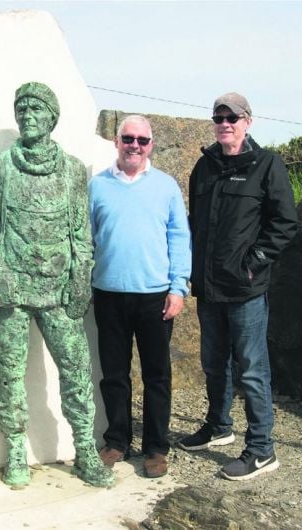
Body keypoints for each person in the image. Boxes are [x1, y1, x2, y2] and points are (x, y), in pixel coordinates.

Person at [0, 81, 113, 489]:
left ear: (52, 118)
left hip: (58, 291)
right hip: (10, 293)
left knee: (77, 372)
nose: (28, 116)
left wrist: (79, 280)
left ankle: (85, 448)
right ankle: (16, 448)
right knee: (9, 374)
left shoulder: (72, 170)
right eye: (23, 110)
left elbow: (81, 235)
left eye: (37, 110)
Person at [178, 93, 297, 481]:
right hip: (209, 288)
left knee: (251, 370)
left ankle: (262, 449)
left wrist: (252, 265)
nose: (225, 123)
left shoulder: (267, 165)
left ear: (248, 121)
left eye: (233, 117)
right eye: (219, 117)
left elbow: (284, 224)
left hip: (245, 290)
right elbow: (196, 224)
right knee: (214, 364)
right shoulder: (204, 166)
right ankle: (219, 426)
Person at [89, 115, 191, 479]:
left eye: (142, 140)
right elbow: (87, 238)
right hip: (109, 294)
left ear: (151, 145)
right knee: (114, 374)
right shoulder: (97, 186)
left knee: (157, 376)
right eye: (128, 138)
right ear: (116, 141)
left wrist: (178, 287)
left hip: (155, 298)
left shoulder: (165, 187)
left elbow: (180, 238)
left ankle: (155, 448)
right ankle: (117, 440)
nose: (135, 145)